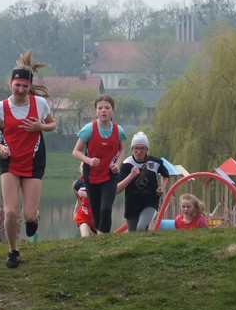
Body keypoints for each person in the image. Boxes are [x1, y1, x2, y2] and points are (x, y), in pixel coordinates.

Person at [0, 50, 56, 268]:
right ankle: (13, 250)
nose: (21, 89)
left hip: (34, 161)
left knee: (29, 215)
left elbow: (52, 125)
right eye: (17, 85)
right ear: (10, 84)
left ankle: (34, 219)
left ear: (29, 86)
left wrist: (40, 126)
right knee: (11, 210)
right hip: (10, 162)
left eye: (25, 86)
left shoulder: (40, 104)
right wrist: (0, 147)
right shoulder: (1, 108)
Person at [72, 94, 126, 233]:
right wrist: (88, 160)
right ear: (96, 111)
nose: (104, 111)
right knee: (96, 215)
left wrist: (118, 164)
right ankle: (100, 235)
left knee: (106, 209)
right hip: (91, 176)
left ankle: (104, 239)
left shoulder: (118, 130)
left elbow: (122, 149)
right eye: (100, 108)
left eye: (107, 108)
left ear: (113, 111)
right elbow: (76, 151)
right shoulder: (89, 129)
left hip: (110, 175)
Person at [116, 131, 169, 232]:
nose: (139, 151)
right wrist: (131, 176)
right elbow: (117, 190)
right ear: (132, 149)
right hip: (132, 203)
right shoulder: (126, 164)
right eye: (136, 148)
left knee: (141, 228)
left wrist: (162, 186)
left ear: (147, 149)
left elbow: (166, 175)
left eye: (142, 148)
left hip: (150, 201)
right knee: (133, 234)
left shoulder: (155, 162)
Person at [73, 164, 96, 237]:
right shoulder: (77, 184)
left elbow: (101, 198)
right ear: (80, 169)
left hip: (97, 215)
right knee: (85, 237)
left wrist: (87, 195)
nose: (85, 169)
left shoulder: (97, 181)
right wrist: (75, 212)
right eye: (83, 167)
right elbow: (79, 200)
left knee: (101, 238)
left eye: (89, 167)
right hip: (84, 215)